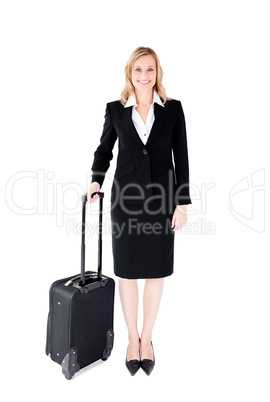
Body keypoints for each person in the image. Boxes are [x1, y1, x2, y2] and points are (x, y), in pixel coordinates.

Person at [87, 46, 192, 376]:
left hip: (162, 201)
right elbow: (104, 150)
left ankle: (148, 338)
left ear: (157, 72)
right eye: (138, 70)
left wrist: (183, 202)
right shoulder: (116, 110)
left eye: (150, 70)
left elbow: (182, 156)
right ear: (129, 74)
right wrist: (95, 181)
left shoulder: (172, 110)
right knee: (128, 272)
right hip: (126, 202)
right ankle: (131, 339)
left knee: (156, 271)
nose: (144, 76)